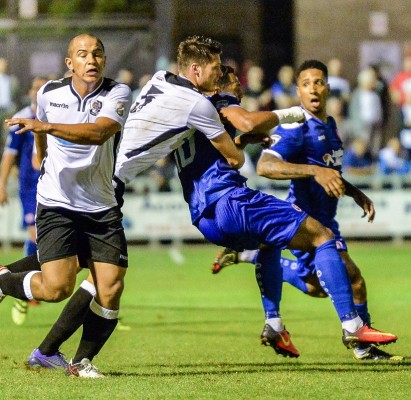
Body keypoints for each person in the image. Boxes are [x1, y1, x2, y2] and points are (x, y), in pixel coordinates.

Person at [209, 59, 399, 359]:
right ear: (298, 90)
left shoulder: (331, 126)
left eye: (319, 82)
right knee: (355, 280)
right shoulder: (296, 127)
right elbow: (266, 165)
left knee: (316, 287)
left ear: (328, 88)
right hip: (305, 221)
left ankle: (251, 255)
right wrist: (314, 173)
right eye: (306, 83)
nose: (313, 88)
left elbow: (327, 169)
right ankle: (363, 346)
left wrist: (355, 192)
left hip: (327, 220)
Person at [0, 33, 132, 378]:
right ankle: (3, 283)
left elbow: (98, 132)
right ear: (70, 63)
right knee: (58, 287)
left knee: (111, 286)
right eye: (83, 55)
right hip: (57, 203)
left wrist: (46, 127)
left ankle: (82, 361)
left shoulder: (117, 93)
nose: (92, 60)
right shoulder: (50, 93)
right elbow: (40, 122)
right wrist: (40, 148)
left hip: (100, 206)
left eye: (98, 54)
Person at [0, 76, 48, 325]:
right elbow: (9, 155)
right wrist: (1, 185)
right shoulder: (21, 118)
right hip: (30, 188)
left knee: (49, 242)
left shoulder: (55, 115)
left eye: (44, 89)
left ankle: (18, 287)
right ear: (30, 92)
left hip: (54, 186)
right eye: (36, 89)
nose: (39, 93)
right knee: (36, 236)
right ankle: (16, 288)